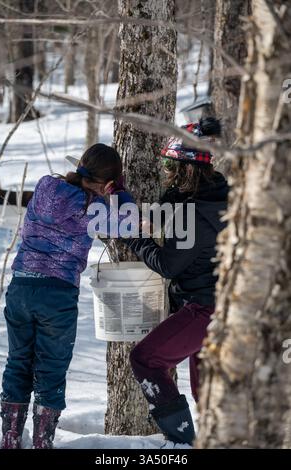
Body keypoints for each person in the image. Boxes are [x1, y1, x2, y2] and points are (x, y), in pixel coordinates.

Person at [0, 143, 133, 449]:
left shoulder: (46, 185)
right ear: (108, 181)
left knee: (18, 362)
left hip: (20, 287)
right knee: (50, 369)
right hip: (57, 294)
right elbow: (129, 222)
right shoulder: (92, 209)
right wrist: (119, 193)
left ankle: (9, 439)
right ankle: (42, 442)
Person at [123, 118, 229, 446]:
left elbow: (168, 264)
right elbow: (172, 204)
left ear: (186, 169)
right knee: (206, 393)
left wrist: (134, 238)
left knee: (146, 359)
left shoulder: (197, 214)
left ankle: (181, 443)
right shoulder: (215, 192)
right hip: (219, 305)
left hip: (205, 309)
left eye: (171, 165)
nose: (166, 171)